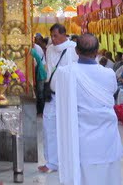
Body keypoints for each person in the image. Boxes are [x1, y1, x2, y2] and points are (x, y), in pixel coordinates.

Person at [55, 33, 122, 185]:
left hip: (81, 139)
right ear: (97, 51)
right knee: (107, 177)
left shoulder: (66, 73)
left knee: (85, 178)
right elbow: (111, 92)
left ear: (76, 51)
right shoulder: (109, 74)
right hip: (106, 137)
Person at [39, 23, 77, 174]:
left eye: (56, 36)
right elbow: (49, 70)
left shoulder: (74, 48)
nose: (53, 39)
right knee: (48, 127)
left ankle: (69, 161)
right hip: (52, 95)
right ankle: (51, 162)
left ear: (64, 34)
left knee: (68, 128)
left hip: (68, 96)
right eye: (52, 36)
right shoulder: (49, 49)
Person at [31, 35, 49, 116]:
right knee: (38, 92)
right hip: (37, 71)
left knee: (40, 92)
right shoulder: (32, 49)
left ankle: (41, 111)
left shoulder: (36, 48)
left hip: (41, 71)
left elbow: (36, 62)